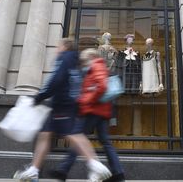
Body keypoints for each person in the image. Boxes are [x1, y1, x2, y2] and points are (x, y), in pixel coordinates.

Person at [13, 39, 111, 182]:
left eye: (58, 46)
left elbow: (56, 79)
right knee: (45, 134)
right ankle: (34, 170)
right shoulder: (75, 62)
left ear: (65, 46)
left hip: (63, 103)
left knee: (72, 134)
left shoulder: (65, 57)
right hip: (63, 103)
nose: (56, 49)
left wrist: (39, 97)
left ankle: (96, 165)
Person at [51, 48, 125, 182]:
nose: (83, 64)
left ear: (91, 57)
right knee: (103, 142)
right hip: (101, 111)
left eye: (84, 61)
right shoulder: (98, 67)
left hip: (92, 110)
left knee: (76, 137)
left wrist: (86, 99)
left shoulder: (96, 66)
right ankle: (118, 173)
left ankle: (63, 169)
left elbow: (102, 87)